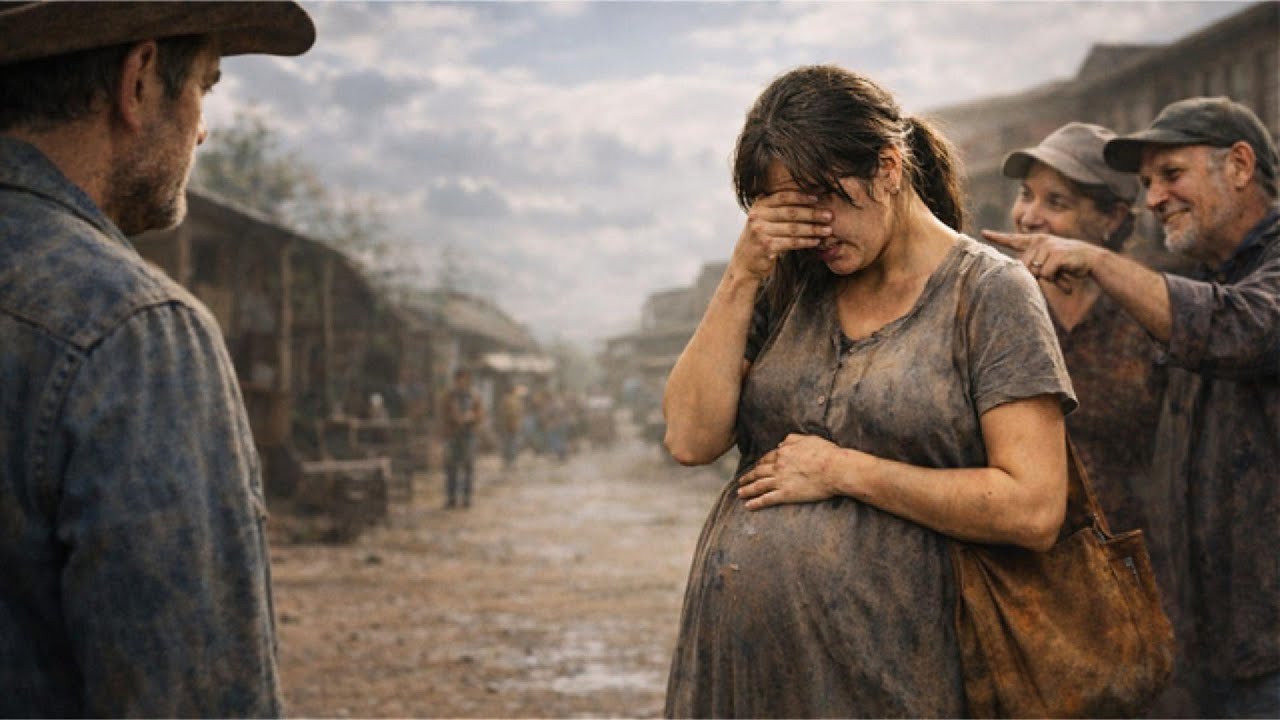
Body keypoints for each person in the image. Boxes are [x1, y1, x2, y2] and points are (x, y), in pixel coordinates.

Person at [662, 64, 1075, 717]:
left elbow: (1033, 507)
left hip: (898, 673)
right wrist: (742, 275)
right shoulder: (790, 282)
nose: (812, 227)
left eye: (821, 199)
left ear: (887, 168)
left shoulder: (989, 294)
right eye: (787, 207)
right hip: (746, 675)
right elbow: (689, 439)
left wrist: (843, 470)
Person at [0, 2, 314, 717]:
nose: (201, 128)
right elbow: (192, 697)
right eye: (205, 85)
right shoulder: (133, 329)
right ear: (138, 82)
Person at [985, 96, 1280, 719]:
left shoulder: (1183, 303)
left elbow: (1241, 331)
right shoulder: (1215, 276)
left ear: (1241, 165)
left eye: (1170, 175)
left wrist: (1094, 263)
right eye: (1147, 183)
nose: (1155, 198)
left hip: (1236, 644)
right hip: (1167, 631)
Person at [997, 122, 1165, 534]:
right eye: (1026, 195)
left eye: (1056, 202)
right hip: (1023, 555)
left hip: (1136, 556)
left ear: (1112, 217)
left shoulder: (1150, 312)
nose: (1030, 216)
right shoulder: (998, 304)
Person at [442, 367, 484, 508]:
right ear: (456, 380)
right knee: (451, 467)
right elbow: (443, 415)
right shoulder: (449, 396)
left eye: (465, 379)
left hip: (469, 434)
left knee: (468, 467)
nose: (462, 382)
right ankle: (451, 497)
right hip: (453, 434)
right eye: (460, 379)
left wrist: (471, 417)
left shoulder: (474, 396)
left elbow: (480, 414)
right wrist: (454, 418)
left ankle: (466, 498)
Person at [498, 383, 525, 469]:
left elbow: (519, 412)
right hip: (510, 425)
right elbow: (517, 412)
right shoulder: (512, 399)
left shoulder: (509, 399)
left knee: (510, 443)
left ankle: (509, 462)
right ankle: (509, 462)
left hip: (511, 425)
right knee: (510, 443)